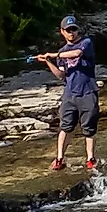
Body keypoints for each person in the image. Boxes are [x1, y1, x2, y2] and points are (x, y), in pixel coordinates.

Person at [34, 14, 99, 174]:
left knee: (89, 129)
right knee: (66, 127)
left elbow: (76, 54)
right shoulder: (62, 51)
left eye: (74, 30)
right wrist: (48, 61)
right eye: (68, 30)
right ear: (62, 32)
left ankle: (90, 159)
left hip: (88, 92)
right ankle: (59, 159)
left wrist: (53, 55)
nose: (71, 33)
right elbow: (61, 75)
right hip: (70, 94)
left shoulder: (86, 43)